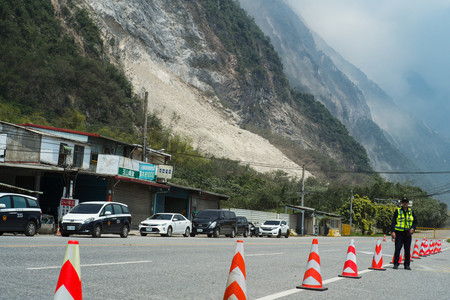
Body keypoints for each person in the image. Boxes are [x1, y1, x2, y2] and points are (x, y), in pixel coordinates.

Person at [391, 197, 417, 270]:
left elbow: (415, 222)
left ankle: (407, 265)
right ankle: (396, 263)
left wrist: (413, 228)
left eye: (406, 202)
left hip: (408, 233)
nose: (405, 203)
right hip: (399, 233)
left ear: (408, 203)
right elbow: (393, 222)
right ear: (401, 203)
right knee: (398, 248)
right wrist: (393, 232)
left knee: (407, 249)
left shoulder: (411, 211)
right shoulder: (398, 211)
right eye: (403, 202)